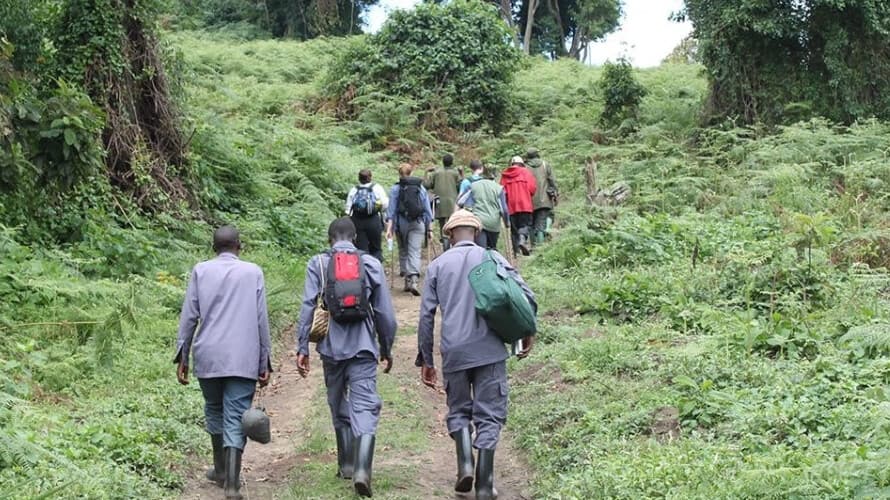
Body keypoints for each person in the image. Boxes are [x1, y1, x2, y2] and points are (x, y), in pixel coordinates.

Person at [416, 210, 536, 500]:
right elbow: (525, 297)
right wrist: (526, 332)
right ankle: (484, 483)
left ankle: (465, 463)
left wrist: (427, 360)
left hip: (454, 352)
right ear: (477, 233)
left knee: (458, 410)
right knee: (490, 414)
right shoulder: (493, 258)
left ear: (449, 236)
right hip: (490, 350)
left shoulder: (437, 265)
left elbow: (426, 316)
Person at [295, 217, 398, 498]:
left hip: (331, 347)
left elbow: (307, 305)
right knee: (364, 404)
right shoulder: (371, 264)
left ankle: (346, 464)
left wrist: (302, 345)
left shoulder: (318, 263)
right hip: (363, 346)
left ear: (330, 239)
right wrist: (386, 347)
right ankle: (364, 469)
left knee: (337, 399)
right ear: (354, 238)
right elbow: (385, 314)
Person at [174, 225, 272, 500]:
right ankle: (231, 483)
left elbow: (189, 316)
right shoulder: (253, 272)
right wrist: (265, 359)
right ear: (239, 246)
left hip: (208, 356)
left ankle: (220, 470)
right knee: (235, 414)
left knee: (215, 410)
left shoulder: (200, 271)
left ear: (213, 247)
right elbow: (261, 319)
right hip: (243, 357)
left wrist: (182, 355)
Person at [386, 164, 434, 295]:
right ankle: (413, 279)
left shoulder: (395, 189)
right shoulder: (420, 188)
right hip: (418, 223)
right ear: (411, 172)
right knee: (415, 250)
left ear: (399, 173)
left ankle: (407, 279)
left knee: (403, 250)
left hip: (401, 224)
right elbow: (427, 210)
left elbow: (391, 211)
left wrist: (389, 229)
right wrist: (430, 230)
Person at [456, 160, 509, 250]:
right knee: (492, 249)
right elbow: (504, 210)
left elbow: (460, 201)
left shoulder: (473, 186)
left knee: (480, 250)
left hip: (478, 222)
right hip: (494, 223)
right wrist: (507, 223)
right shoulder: (499, 188)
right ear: (495, 175)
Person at [345, 169, 389, 262]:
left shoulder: (354, 190)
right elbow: (385, 204)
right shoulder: (377, 188)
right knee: (376, 247)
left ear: (359, 178)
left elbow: (348, 209)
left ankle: (364, 269)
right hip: (373, 220)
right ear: (370, 177)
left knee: (361, 249)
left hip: (357, 221)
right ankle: (376, 268)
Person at [499, 156, 537, 256]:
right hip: (525, 204)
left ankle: (516, 252)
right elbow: (532, 188)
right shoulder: (526, 172)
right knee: (525, 224)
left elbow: (502, 192)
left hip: (511, 205)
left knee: (514, 229)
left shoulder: (505, 175)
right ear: (521, 163)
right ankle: (522, 239)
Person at [424, 153, 461, 250]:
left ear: (443, 162)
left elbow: (427, 185)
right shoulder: (455, 173)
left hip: (439, 203)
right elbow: (461, 186)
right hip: (452, 204)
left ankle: (445, 243)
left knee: (442, 225)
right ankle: (453, 242)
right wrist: (462, 174)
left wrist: (426, 172)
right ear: (452, 162)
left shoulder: (436, 173)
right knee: (453, 224)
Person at [524, 148, 558, 245]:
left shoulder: (525, 167)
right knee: (541, 224)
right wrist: (555, 193)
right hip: (545, 200)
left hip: (529, 201)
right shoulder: (545, 164)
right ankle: (541, 247)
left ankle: (533, 246)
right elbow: (552, 181)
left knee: (531, 224)